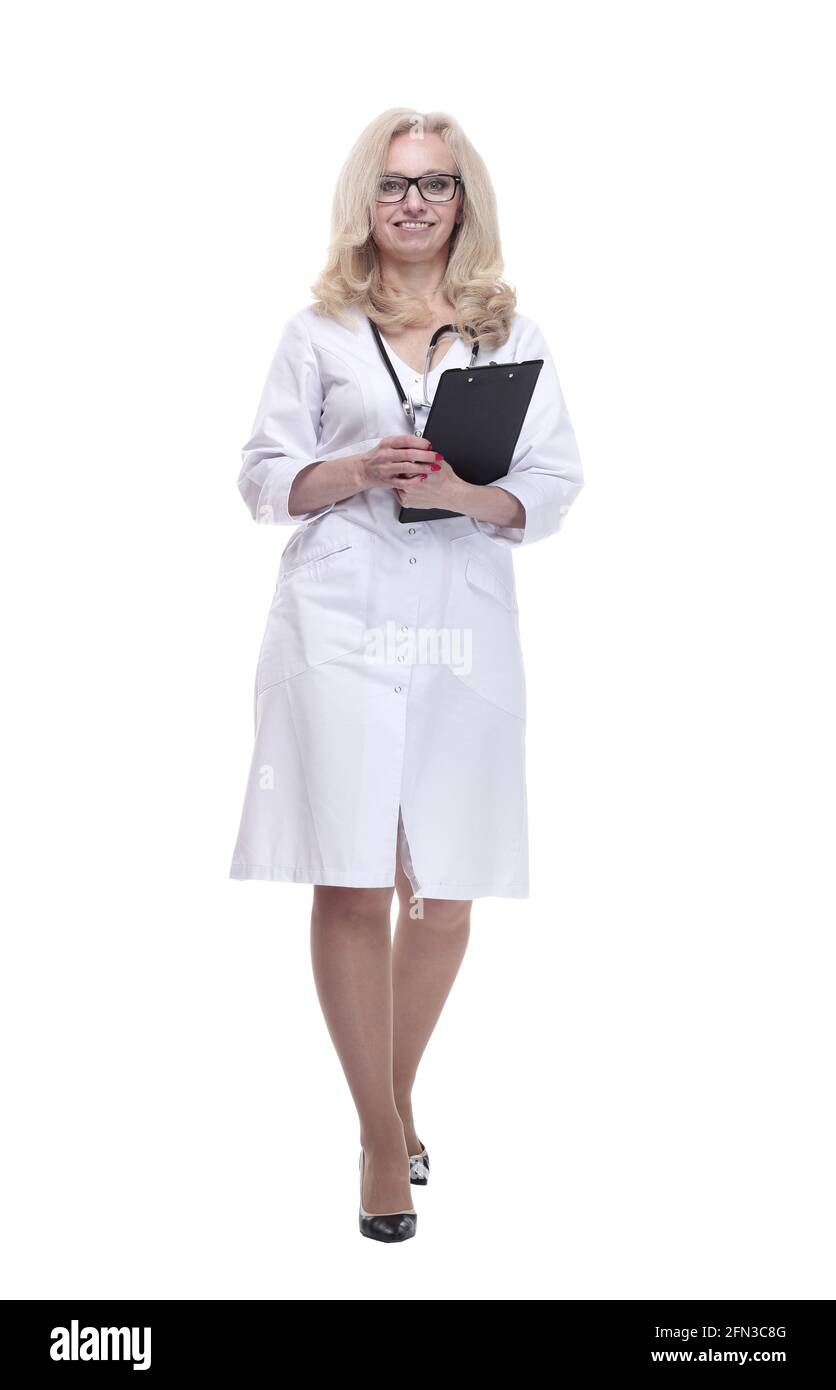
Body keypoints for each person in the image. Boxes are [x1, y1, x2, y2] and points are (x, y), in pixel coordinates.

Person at [230, 108, 584, 1242]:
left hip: (459, 625)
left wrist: (463, 497)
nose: (414, 204)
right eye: (393, 185)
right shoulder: (319, 332)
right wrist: (354, 469)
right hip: (339, 622)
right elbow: (259, 476)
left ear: (462, 203)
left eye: (435, 186)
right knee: (353, 871)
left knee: (442, 888)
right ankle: (383, 1140)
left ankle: (392, 1095)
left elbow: (553, 481)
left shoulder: (510, 333)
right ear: (364, 202)